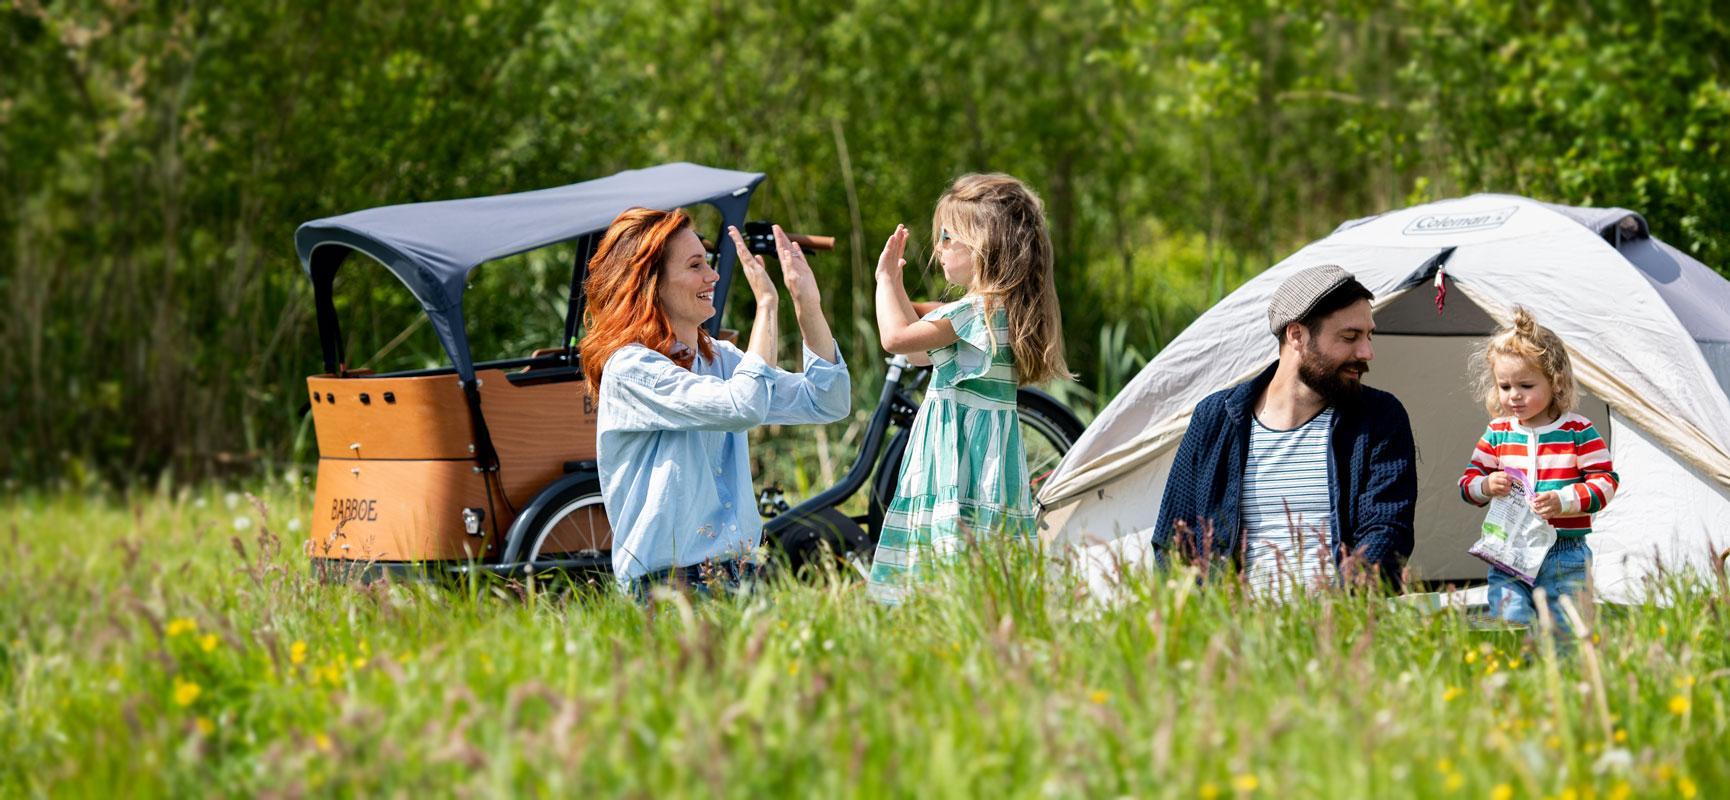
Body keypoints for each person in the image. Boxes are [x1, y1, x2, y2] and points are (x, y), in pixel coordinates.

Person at [580, 208, 850, 597]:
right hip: (670, 587)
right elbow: (743, 406)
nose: (713, 275)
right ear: (650, 284)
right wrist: (767, 309)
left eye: (707, 261)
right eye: (695, 265)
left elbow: (826, 401)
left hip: (743, 574)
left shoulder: (719, 359)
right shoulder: (632, 367)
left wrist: (807, 304)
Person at [866, 173, 1070, 605]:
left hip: (959, 457)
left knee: (950, 547)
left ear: (983, 244)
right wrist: (899, 291)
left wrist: (885, 281)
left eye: (946, 237)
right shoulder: (997, 308)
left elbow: (897, 340)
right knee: (977, 556)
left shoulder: (974, 309)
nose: (937, 249)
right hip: (981, 458)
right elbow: (920, 352)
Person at [1152, 264, 1417, 595]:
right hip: (1234, 634)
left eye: (1368, 336)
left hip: (1340, 628)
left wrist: (1339, 609)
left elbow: (1388, 531)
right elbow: (1173, 544)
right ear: (1297, 336)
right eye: (1350, 337)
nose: (1367, 353)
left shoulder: (1380, 418)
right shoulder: (1216, 419)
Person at [1459, 307, 1618, 629]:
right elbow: (1468, 483)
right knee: (1511, 622)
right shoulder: (1499, 432)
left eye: (1526, 386)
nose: (1514, 396)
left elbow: (1605, 482)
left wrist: (1564, 500)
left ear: (1555, 381)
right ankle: (1519, 676)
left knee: (1566, 630)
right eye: (1505, 387)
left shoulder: (1577, 431)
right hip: (1508, 547)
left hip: (1564, 550)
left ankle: (1565, 677)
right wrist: (1487, 486)